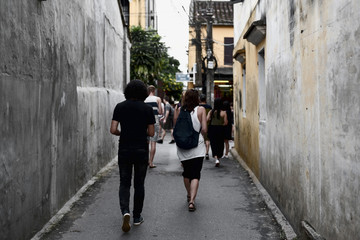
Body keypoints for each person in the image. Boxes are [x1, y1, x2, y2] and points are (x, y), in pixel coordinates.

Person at [110, 80, 155, 232]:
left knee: (124, 182)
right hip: (141, 149)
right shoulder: (147, 109)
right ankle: (137, 217)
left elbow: (113, 129)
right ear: (144, 92)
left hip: (124, 149)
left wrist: (123, 133)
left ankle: (125, 212)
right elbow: (151, 133)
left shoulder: (120, 107)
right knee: (139, 184)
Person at [173, 89, 207, 212]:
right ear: (197, 98)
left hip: (182, 147)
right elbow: (204, 129)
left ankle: (188, 194)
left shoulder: (178, 109)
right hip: (197, 145)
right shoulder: (201, 110)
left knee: (187, 173)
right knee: (195, 174)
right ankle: (192, 200)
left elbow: (175, 126)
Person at [144, 85, 163, 168]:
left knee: (146, 142)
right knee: (153, 142)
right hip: (154, 120)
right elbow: (160, 112)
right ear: (154, 91)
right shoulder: (158, 99)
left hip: (145, 121)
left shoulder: (144, 99)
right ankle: (151, 162)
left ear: (148, 91)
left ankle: (145, 161)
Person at [207, 98, 228, 167]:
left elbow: (207, 119)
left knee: (213, 143)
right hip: (220, 129)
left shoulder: (211, 112)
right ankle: (218, 157)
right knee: (220, 143)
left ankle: (216, 158)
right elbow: (225, 122)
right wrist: (221, 124)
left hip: (212, 129)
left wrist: (211, 120)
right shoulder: (223, 112)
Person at [199, 94, 212, 160]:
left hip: (200, 124)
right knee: (207, 139)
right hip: (208, 124)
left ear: (200, 99)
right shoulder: (209, 107)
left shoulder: (198, 107)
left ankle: (200, 153)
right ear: (205, 99)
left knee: (200, 139)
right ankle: (207, 152)